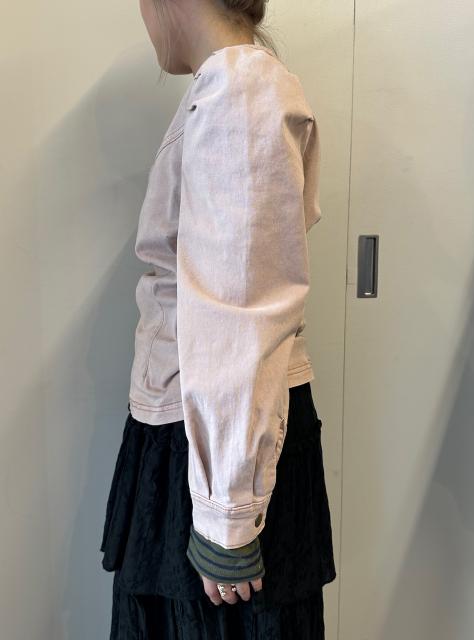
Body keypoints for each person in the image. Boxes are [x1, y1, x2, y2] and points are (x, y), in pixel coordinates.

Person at [99, 0, 337, 637]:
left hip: (214, 451)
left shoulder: (240, 92)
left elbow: (241, 311)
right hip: (208, 440)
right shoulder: (229, 88)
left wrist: (228, 518)